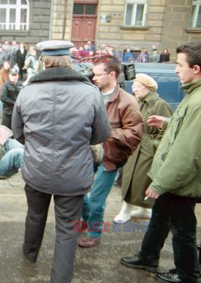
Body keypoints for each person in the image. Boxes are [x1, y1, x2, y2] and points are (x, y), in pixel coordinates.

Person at [12, 40, 111, 282]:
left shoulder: (27, 92)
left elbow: (18, 133)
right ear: (69, 61)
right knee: (68, 229)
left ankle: (29, 254)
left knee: (35, 215)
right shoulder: (91, 92)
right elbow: (101, 135)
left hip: (37, 169)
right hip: (73, 173)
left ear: (44, 62)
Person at [120, 42, 201, 283]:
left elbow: (188, 152)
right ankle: (148, 257)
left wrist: (160, 183)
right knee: (159, 219)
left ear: (196, 68)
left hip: (180, 180)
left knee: (183, 229)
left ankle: (188, 274)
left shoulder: (197, 102)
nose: (176, 70)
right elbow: (185, 129)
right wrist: (167, 122)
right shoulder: (193, 94)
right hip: (172, 178)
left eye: (179, 65)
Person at [78, 54, 144, 248]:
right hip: (87, 156)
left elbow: (134, 135)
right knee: (78, 194)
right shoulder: (91, 94)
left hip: (110, 159)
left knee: (97, 201)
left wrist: (107, 133)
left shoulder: (128, 102)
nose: (93, 78)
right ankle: (86, 220)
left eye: (97, 74)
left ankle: (94, 233)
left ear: (112, 74)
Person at [113, 74, 173, 224]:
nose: (133, 89)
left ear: (147, 87)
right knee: (128, 178)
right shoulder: (137, 101)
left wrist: (153, 146)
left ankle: (137, 209)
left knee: (141, 180)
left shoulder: (160, 104)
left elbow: (168, 131)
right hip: (134, 146)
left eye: (137, 86)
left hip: (147, 149)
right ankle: (137, 209)